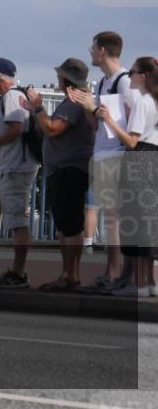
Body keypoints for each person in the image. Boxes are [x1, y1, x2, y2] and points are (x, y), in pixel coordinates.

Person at [69, 31, 135, 291]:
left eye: (93, 48)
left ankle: (117, 273)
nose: (91, 52)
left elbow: (132, 121)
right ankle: (112, 272)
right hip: (104, 152)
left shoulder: (124, 81)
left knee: (115, 217)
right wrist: (88, 106)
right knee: (111, 217)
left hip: (117, 152)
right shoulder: (102, 83)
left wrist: (94, 109)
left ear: (103, 50)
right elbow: (95, 125)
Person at [21, 58, 94, 290]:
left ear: (66, 79)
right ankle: (68, 274)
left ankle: (71, 276)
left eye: (60, 75)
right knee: (65, 225)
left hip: (69, 169)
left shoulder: (74, 101)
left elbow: (53, 129)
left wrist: (38, 107)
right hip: (64, 168)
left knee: (70, 225)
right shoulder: (74, 99)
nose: (57, 78)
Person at [97, 56, 158, 297]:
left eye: (132, 72)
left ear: (143, 76)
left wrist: (110, 120)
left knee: (135, 222)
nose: (129, 76)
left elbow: (132, 141)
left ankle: (139, 285)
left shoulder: (143, 102)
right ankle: (151, 283)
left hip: (139, 159)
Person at [0, 57, 35, 289]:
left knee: (17, 221)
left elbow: (16, 128)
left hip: (16, 166)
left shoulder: (11, 97)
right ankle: (16, 271)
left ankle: (18, 273)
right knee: (17, 219)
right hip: (21, 164)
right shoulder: (19, 95)